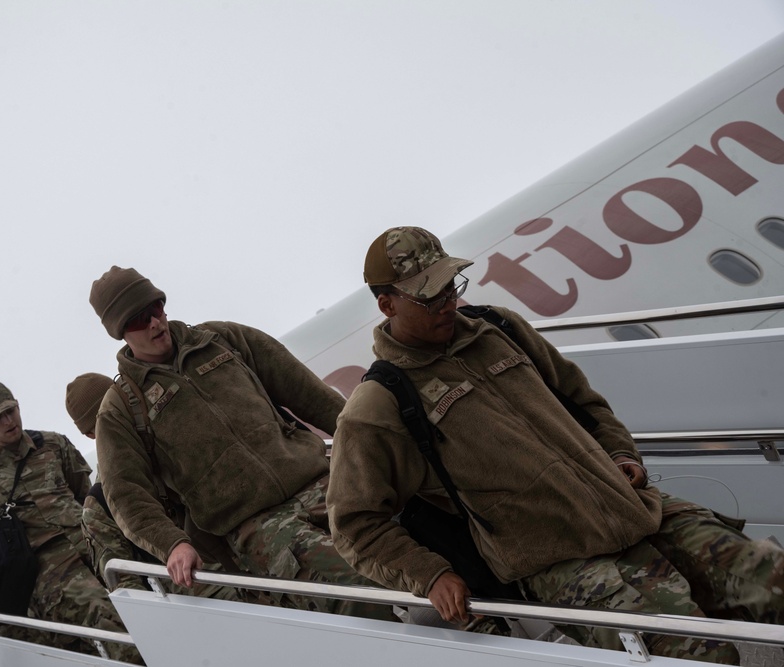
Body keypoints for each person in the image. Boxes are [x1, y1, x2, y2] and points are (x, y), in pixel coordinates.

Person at [326, 226, 784, 663]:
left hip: (635, 510)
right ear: (387, 305)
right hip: (562, 561)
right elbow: (354, 524)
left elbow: (585, 403)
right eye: (430, 296)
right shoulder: (378, 405)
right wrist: (431, 575)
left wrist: (622, 454)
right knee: (696, 656)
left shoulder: (498, 328)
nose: (450, 303)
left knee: (772, 582)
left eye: (452, 285)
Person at [87, 266, 394, 620]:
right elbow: (126, 494)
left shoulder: (222, 340)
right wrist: (172, 544)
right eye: (139, 320)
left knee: (409, 557)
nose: (154, 322)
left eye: (155, 308)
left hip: (321, 481)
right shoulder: (121, 408)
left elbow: (310, 395)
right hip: (257, 526)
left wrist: (372, 444)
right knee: (354, 594)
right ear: (120, 333)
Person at [0, 381, 142, 664]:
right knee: (107, 622)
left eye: (11, 411)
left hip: (92, 544)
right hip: (48, 567)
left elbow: (86, 495)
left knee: (142, 603)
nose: (9, 421)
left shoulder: (53, 443)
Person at [66, 372, 239, 601]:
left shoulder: (173, 439)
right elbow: (125, 584)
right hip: (202, 592)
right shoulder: (99, 503)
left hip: (243, 554)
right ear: (90, 434)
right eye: (105, 413)